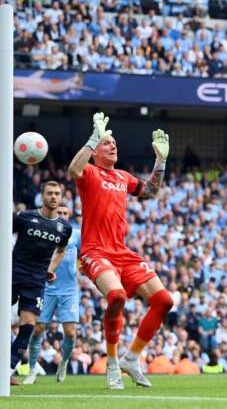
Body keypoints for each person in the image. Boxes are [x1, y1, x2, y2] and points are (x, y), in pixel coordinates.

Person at [68, 112, 174, 389]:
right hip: (95, 250)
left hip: (122, 252)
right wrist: (93, 138)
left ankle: (131, 358)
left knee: (164, 301)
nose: (113, 146)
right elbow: (73, 170)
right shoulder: (89, 171)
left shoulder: (122, 177)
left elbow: (150, 191)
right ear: (95, 153)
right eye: (107, 143)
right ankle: (113, 363)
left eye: (114, 143)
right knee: (116, 296)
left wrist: (160, 161)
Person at [11, 181, 72, 386]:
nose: (54, 196)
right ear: (42, 195)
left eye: (57, 193)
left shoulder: (64, 228)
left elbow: (61, 251)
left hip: (36, 281)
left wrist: (50, 270)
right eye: (50, 193)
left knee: (28, 326)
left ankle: (7, 370)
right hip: (12, 274)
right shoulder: (25, 217)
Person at [24, 204, 80, 384]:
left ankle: (63, 362)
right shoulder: (44, 231)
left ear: (69, 215)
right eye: (60, 213)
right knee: (38, 328)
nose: (63, 215)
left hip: (69, 290)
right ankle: (32, 369)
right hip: (46, 288)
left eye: (65, 213)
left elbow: (87, 254)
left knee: (71, 333)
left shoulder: (76, 235)